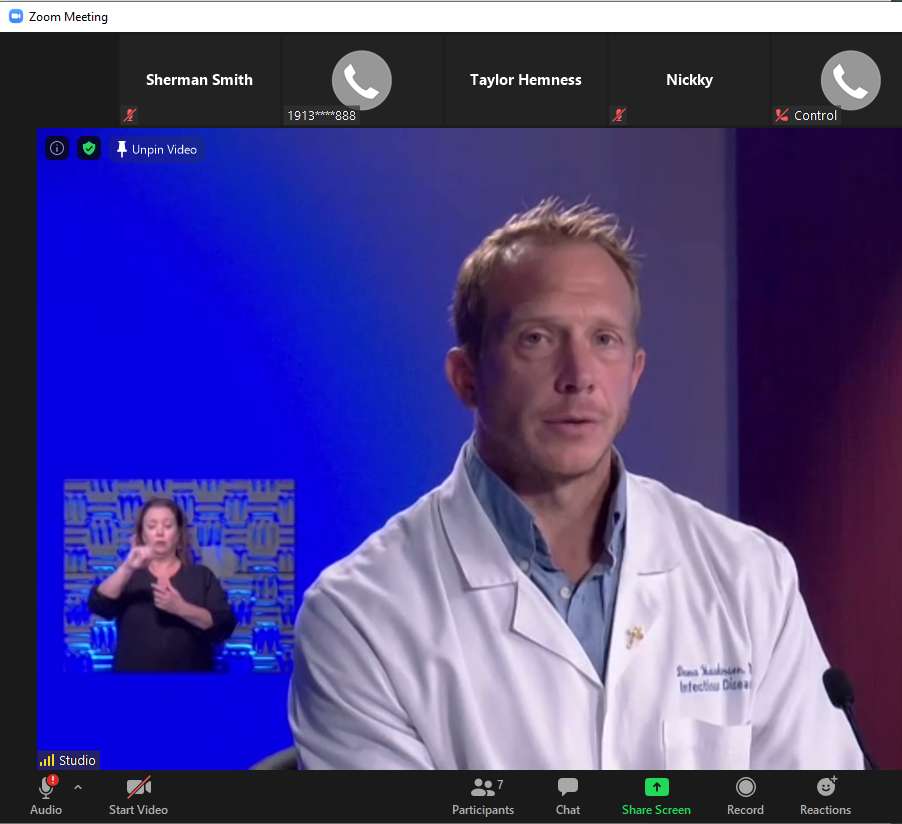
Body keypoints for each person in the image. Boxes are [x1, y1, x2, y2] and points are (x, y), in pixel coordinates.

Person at [289, 198, 863, 769]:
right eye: (536, 339)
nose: (579, 377)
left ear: (633, 373)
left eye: (604, 340)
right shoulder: (359, 616)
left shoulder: (749, 573)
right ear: (466, 378)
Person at [88, 496, 237, 672]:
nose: (159, 532)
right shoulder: (128, 576)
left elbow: (224, 624)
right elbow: (99, 605)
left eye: (167, 526)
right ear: (142, 534)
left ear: (179, 534)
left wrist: (180, 608)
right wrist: (127, 567)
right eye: (151, 526)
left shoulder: (201, 576)